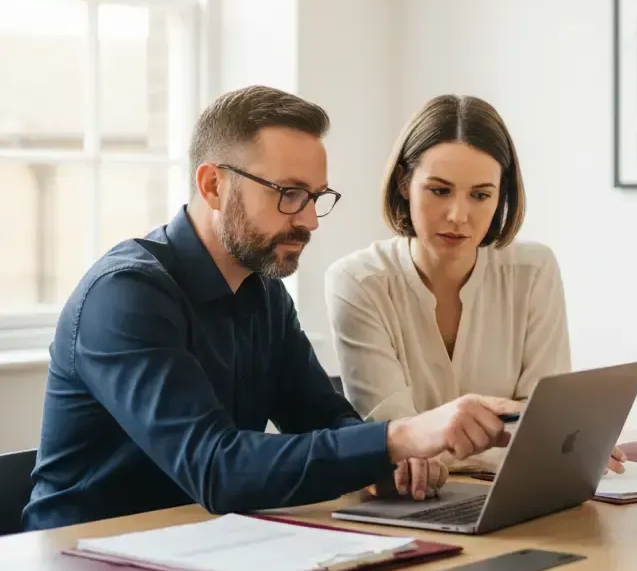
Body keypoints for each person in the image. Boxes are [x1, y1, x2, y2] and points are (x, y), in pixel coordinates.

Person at [22, 85, 518, 531]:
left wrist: (390, 461)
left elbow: (321, 417)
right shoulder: (125, 295)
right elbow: (217, 468)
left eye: (315, 197)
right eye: (288, 194)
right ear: (213, 185)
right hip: (81, 566)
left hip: (200, 545)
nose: (308, 221)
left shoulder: (261, 291)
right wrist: (399, 437)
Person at [325, 94, 626, 477]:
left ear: (501, 195)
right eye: (439, 190)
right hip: (410, 510)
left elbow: (547, 423)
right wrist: (528, 438)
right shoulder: (357, 282)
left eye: (481, 195)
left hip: (517, 495)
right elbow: (396, 447)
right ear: (404, 183)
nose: (458, 216)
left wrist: (547, 439)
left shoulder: (534, 269)